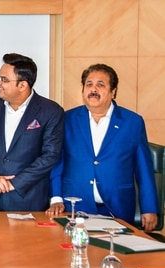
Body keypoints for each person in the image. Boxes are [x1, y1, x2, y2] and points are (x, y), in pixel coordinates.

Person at [47, 63, 159, 232]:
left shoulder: (132, 122)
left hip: (117, 208)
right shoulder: (67, 119)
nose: (93, 89)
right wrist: (56, 197)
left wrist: (149, 207)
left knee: (115, 254)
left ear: (113, 92)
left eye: (100, 85)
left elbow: (143, 168)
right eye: (89, 84)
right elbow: (57, 162)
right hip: (75, 206)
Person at [0, 53, 64, 212]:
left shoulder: (51, 111)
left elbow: (50, 155)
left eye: (4, 80)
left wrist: (13, 184)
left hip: (27, 200)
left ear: (22, 85)